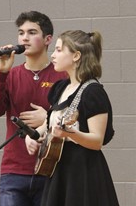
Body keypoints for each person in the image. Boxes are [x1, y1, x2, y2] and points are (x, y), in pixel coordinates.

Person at [0, 11, 67, 206]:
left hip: (51, 169)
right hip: (13, 172)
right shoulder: (10, 75)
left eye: (31, 32)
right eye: (21, 33)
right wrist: (0, 73)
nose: (24, 38)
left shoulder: (62, 76)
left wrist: (48, 118)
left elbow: (75, 118)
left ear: (48, 39)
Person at [26, 30, 119, 206]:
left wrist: (70, 134)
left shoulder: (93, 92)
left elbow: (97, 141)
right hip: (58, 170)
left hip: (83, 173)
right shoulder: (60, 88)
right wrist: (33, 137)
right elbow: (50, 124)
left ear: (76, 56)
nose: (53, 55)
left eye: (59, 50)